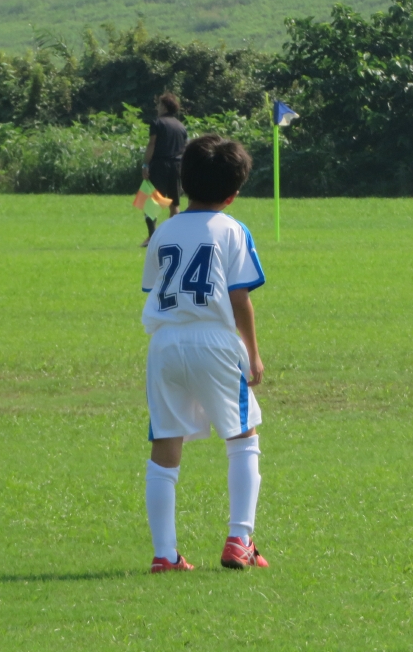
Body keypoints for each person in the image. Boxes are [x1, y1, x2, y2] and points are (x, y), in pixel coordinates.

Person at [140, 134, 267, 572]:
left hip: (165, 342)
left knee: (165, 443)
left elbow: (155, 285)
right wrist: (253, 353)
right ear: (232, 194)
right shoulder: (232, 230)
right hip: (213, 339)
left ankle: (165, 554)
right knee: (243, 436)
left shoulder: (164, 231)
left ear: (184, 181)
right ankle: (240, 539)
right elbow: (239, 298)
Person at [141, 92, 187, 247]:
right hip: (177, 166)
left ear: (165, 107)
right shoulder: (181, 126)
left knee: (152, 201)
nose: (157, 108)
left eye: (159, 105)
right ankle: (174, 237)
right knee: (174, 204)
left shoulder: (157, 123)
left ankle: (152, 237)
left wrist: (145, 164)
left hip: (160, 165)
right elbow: (184, 148)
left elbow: (152, 144)